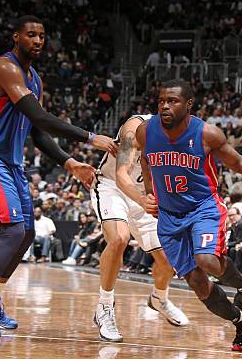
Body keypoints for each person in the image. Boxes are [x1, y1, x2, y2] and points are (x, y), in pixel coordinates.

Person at [0, 15, 117, 337]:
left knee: (26, 233)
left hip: (10, 161)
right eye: (31, 35)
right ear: (16, 37)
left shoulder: (34, 79)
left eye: (42, 35)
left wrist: (70, 163)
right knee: (12, 231)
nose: (38, 41)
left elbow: (37, 130)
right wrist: (89, 137)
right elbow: (39, 115)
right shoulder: (5, 68)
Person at [136, 79, 242, 352]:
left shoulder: (207, 134)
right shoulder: (145, 132)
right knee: (198, 284)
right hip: (169, 217)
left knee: (207, 259)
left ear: (188, 105)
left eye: (172, 101)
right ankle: (241, 321)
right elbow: (146, 160)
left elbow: (239, 162)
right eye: (161, 101)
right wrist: (149, 192)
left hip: (203, 208)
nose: (165, 106)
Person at [90, 113, 189, 342]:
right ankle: (104, 307)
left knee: (168, 257)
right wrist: (142, 199)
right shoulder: (135, 128)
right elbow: (121, 174)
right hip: (112, 187)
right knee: (119, 239)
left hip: (145, 195)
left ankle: (159, 298)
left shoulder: (184, 138)